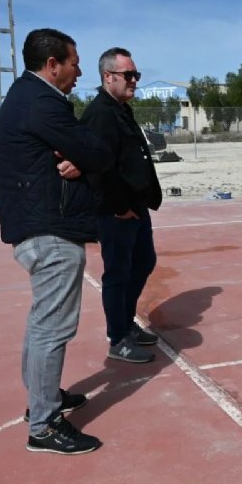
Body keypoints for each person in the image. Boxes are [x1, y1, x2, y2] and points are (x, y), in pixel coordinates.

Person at [0, 28, 113, 454]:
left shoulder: (23, 98)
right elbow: (96, 151)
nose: (79, 71)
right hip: (49, 228)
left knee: (41, 321)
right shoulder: (42, 101)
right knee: (52, 327)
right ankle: (43, 426)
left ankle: (42, 401)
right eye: (74, 63)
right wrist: (82, 158)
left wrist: (76, 160)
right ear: (52, 65)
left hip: (35, 224)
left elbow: (79, 152)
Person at [81, 48, 162, 363]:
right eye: (129, 75)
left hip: (136, 206)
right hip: (117, 212)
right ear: (108, 76)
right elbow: (98, 169)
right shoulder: (100, 114)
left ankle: (126, 324)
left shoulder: (121, 109)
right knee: (118, 274)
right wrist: (118, 207)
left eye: (136, 75)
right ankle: (118, 338)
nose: (134, 81)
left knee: (143, 263)